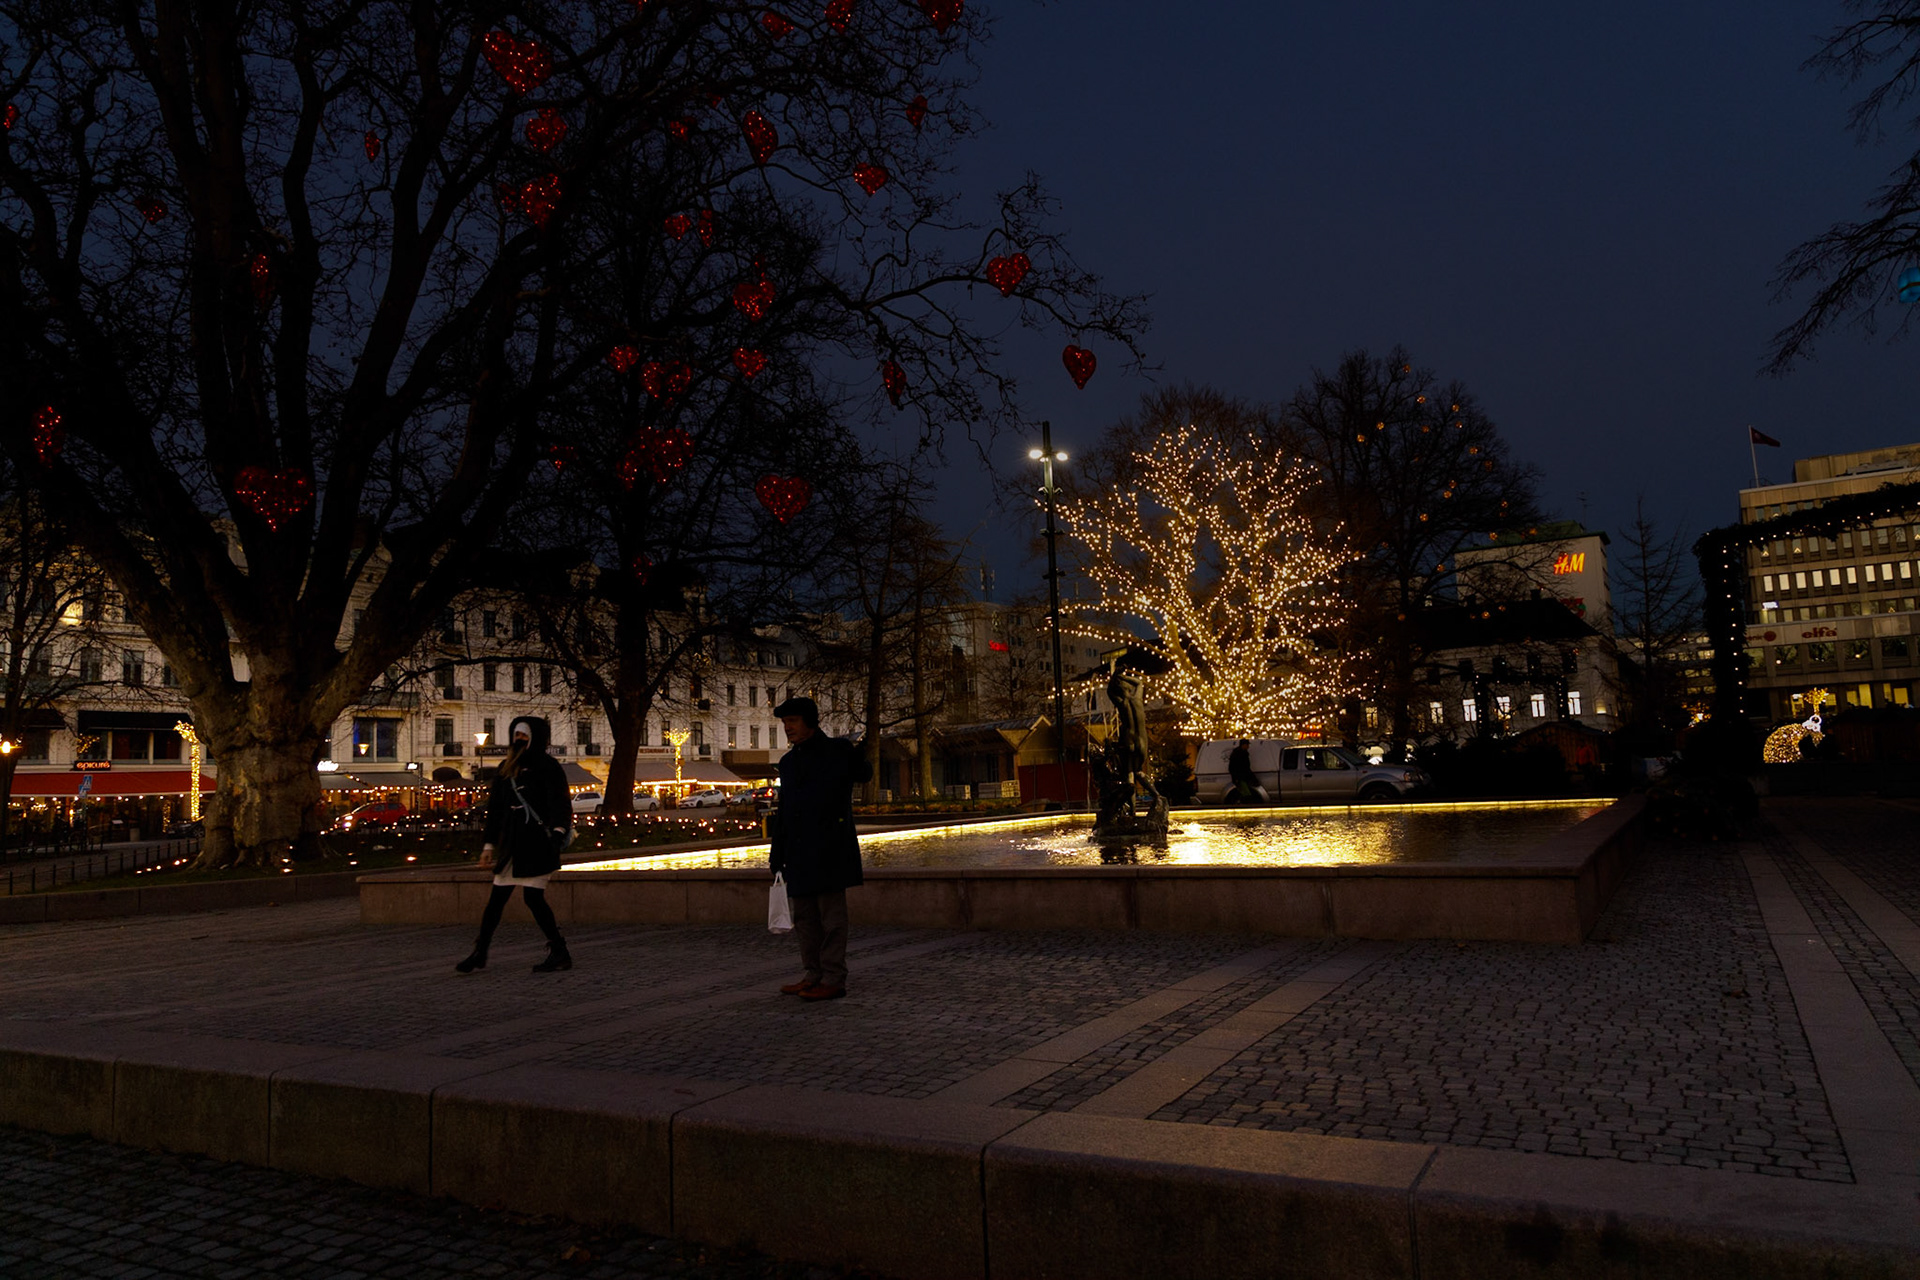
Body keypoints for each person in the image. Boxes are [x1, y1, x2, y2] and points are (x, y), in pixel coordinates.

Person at [769, 695, 872, 1001]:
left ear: (810, 722)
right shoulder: (788, 763)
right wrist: (778, 853)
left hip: (829, 849)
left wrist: (857, 755)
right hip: (799, 851)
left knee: (831, 918)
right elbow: (785, 810)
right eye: (784, 722)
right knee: (805, 918)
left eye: (793, 721)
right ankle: (813, 974)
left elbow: (864, 774)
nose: (787, 728)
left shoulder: (836, 750)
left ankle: (833, 977)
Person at [455, 715, 574, 974]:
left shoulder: (548, 766)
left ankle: (559, 951)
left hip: (538, 843)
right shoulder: (506, 767)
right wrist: (489, 845)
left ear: (535, 738)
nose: (519, 740)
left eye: (524, 736)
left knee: (533, 898)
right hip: (512, 845)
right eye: (516, 736)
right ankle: (480, 951)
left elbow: (560, 802)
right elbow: (496, 810)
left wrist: (558, 831)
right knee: (496, 900)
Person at [1228, 738, 1268, 803]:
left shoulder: (1241, 753)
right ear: (1243, 745)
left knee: (1245, 792)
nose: (1248, 746)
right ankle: (1244, 804)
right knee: (1246, 793)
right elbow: (1238, 767)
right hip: (1240, 777)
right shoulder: (1239, 754)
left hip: (1241, 777)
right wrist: (1236, 778)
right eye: (1247, 745)